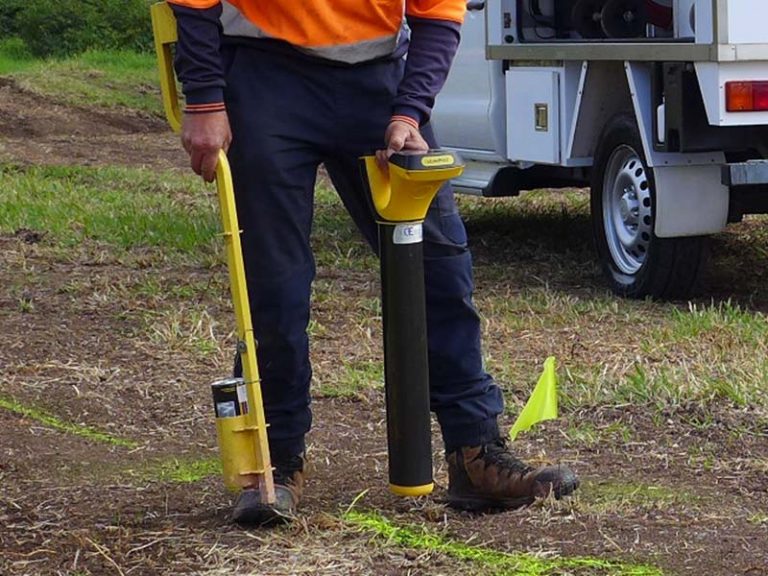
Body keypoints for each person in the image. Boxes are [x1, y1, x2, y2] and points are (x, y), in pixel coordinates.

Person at [167, 0, 579, 524]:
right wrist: (204, 99)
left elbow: (438, 14)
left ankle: (475, 454)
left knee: (438, 265)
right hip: (264, 75)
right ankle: (273, 466)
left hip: (378, 82)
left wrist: (408, 113)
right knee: (274, 282)